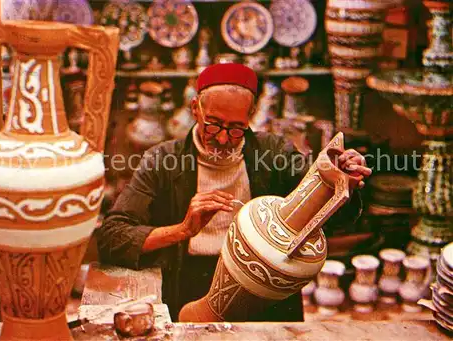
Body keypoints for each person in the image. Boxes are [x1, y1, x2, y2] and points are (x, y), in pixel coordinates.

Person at [96, 63, 372, 322]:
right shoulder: (163, 160)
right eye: (213, 124)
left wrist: (341, 181)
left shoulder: (273, 152)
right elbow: (112, 237)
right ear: (195, 108)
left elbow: (335, 219)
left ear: (249, 117)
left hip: (266, 286)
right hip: (191, 282)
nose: (224, 138)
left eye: (236, 128)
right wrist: (182, 230)